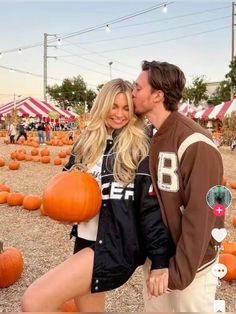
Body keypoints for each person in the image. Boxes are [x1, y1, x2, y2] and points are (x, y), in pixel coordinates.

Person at [21, 78, 174, 312]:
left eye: (126, 108)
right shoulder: (86, 143)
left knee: (34, 301)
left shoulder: (140, 147)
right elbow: (67, 184)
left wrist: (160, 260)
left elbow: (150, 207)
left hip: (116, 246)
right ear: (102, 105)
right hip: (86, 240)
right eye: (114, 106)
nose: (119, 114)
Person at [132, 60, 224, 312]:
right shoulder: (150, 137)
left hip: (191, 268)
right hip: (159, 260)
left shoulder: (196, 143)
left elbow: (201, 215)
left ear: (157, 95)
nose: (132, 92)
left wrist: (177, 275)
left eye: (138, 88)